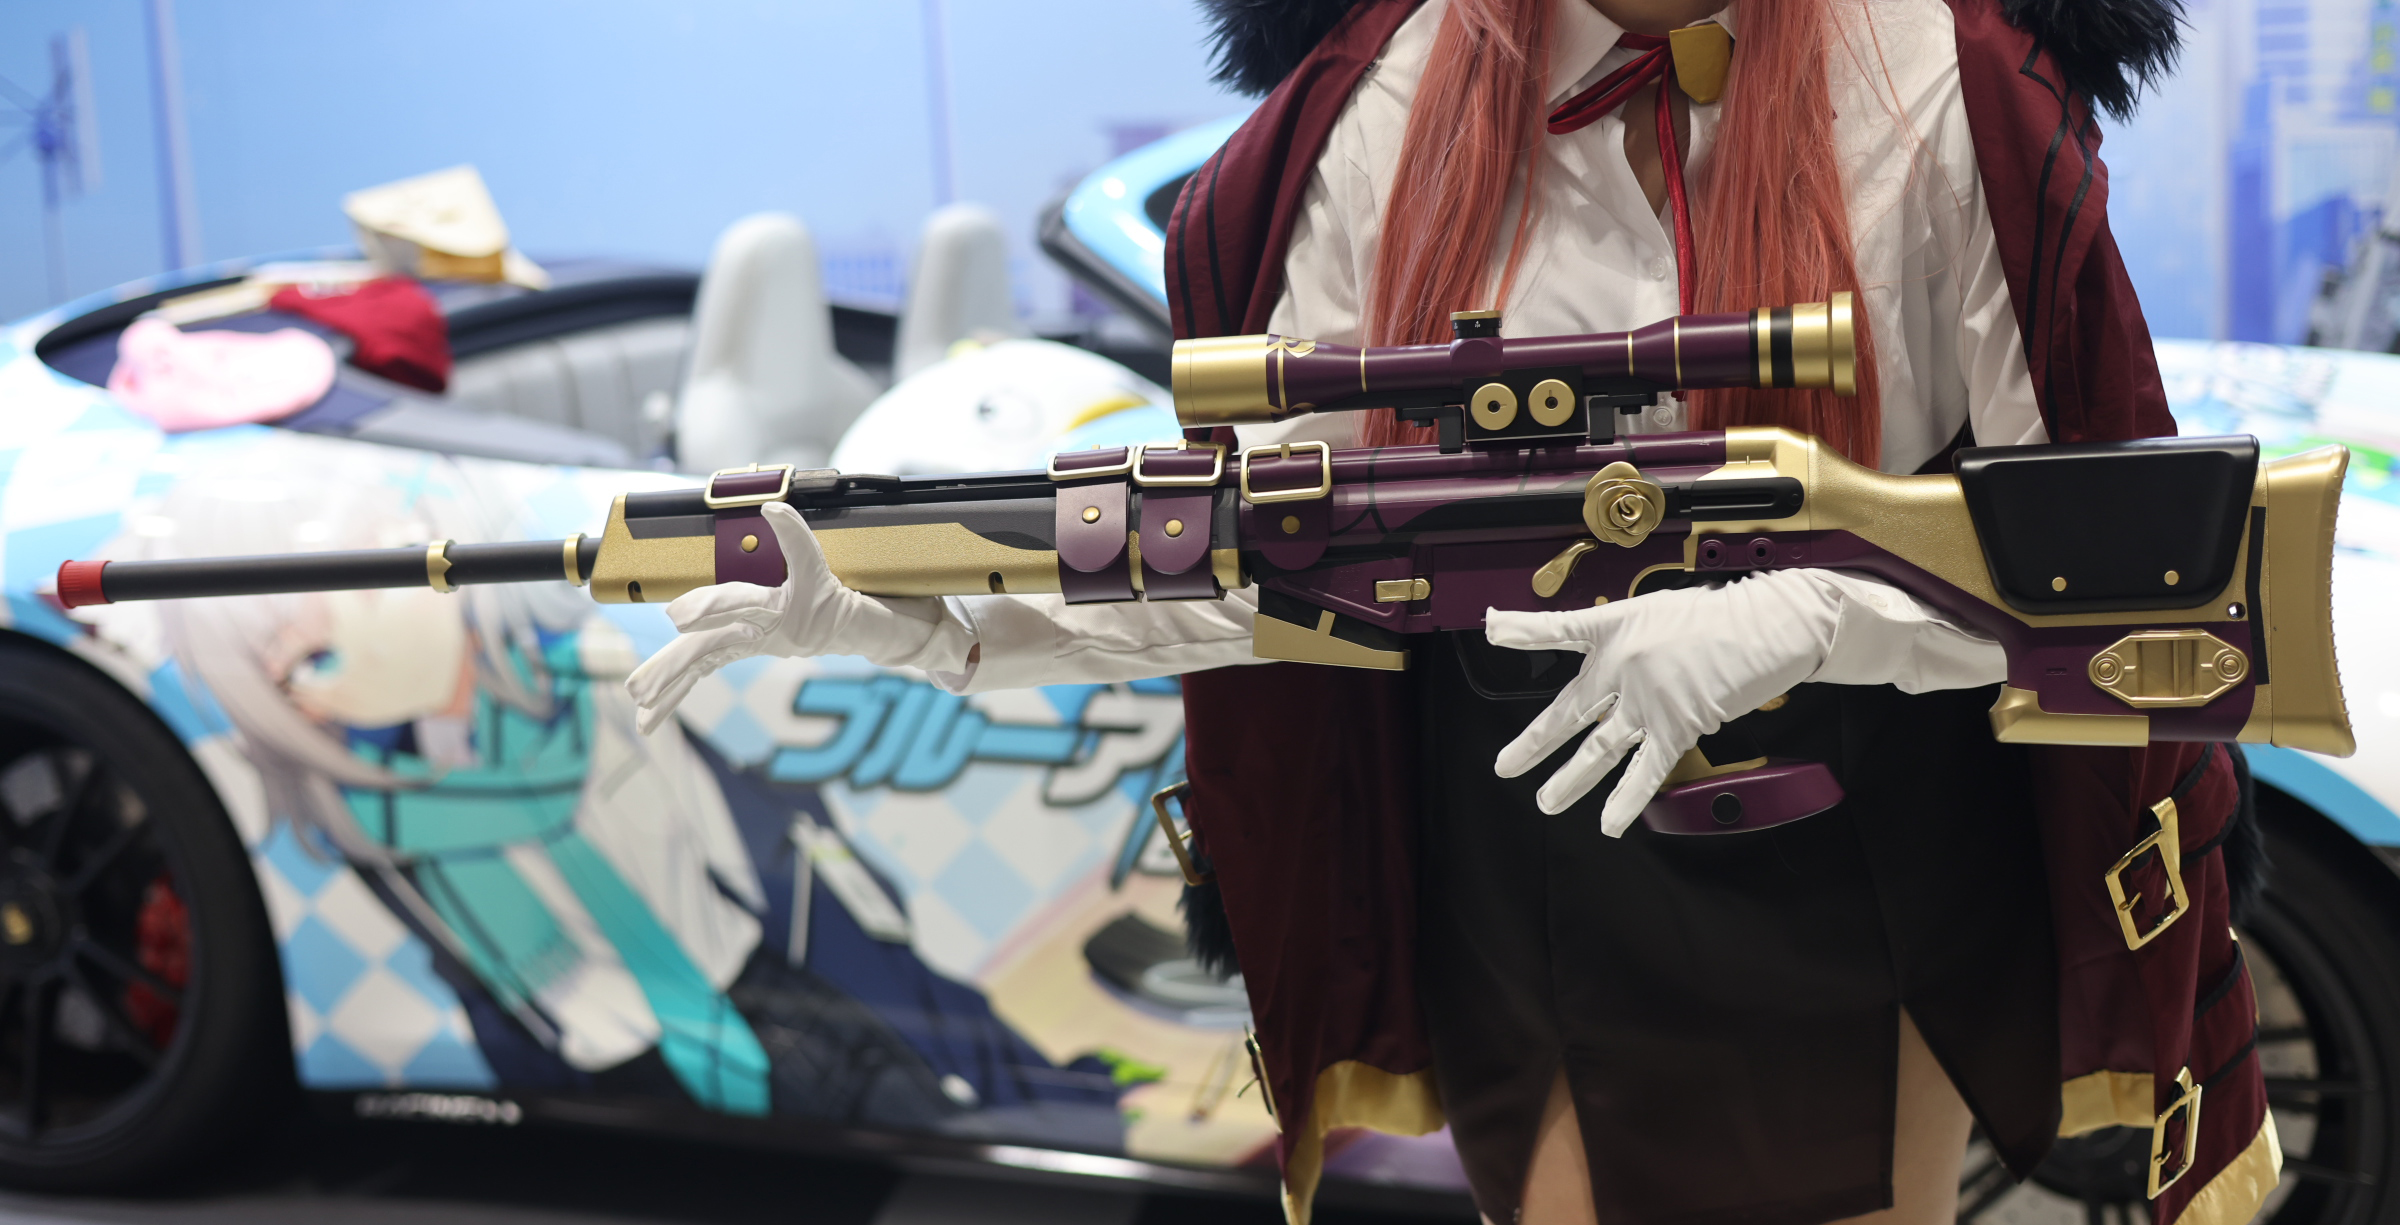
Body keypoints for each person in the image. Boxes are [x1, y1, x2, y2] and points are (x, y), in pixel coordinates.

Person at [629, 2, 2271, 1223]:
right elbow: (1264, 556)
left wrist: (1819, 614)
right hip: (1525, 835)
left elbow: (2102, 568)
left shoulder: (1945, 81)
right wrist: (921, 628)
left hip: (1868, 826)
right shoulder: (1384, 102)